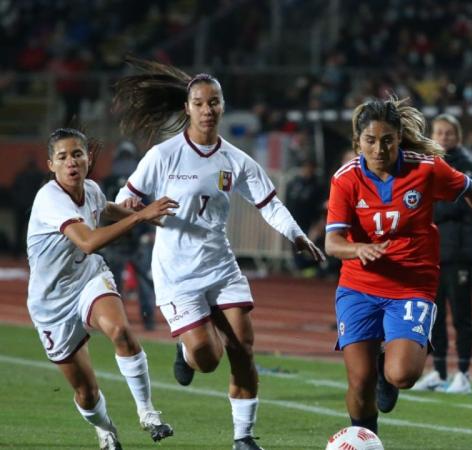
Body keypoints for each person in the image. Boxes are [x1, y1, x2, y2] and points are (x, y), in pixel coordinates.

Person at [112, 57, 325, 450]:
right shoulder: (163, 155)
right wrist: (143, 213)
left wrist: (296, 235)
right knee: (207, 358)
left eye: (214, 102)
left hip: (222, 267)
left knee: (243, 346)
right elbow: (121, 204)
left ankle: (243, 437)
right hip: (177, 272)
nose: (207, 110)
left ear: (222, 107)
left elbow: (269, 204)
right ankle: (185, 347)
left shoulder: (236, 160)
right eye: (200, 103)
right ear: (186, 108)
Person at [325, 97, 472, 435]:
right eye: (370, 140)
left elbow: (470, 188)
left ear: (399, 136)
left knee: (402, 375)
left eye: (388, 139)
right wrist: (359, 248)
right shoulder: (345, 180)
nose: (379, 149)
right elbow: (333, 244)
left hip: (412, 285)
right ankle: (366, 441)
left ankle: (385, 367)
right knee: (359, 384)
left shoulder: (426, 168)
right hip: (359, 286)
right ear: (357, 142)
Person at [26, 128, 177, 449]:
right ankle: (106, 428)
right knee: (86, 392)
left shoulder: (91, 189)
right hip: (51, 302)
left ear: (88, 158)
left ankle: (148, 411)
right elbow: (89, 241)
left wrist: (149, 219)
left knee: (121, 331)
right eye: (63, 157)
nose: (72, 162)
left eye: (77, 154)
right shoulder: (49, 198)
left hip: (88, 279)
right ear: (51, 164)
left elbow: (104, 208)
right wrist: (140, 218)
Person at [411, 114, 472, 394]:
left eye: (449, 133)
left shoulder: (466, 167)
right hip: (432, 252)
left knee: (461, 314)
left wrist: (431, 203)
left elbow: (461, 205)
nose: (443, 137)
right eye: (439, 132)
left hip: (458, 251)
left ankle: (463, 373)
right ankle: (439, 370)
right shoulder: (426, 164)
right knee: (433, 314)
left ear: (458, 137)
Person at [100, 141, 157, 330]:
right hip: (122, 239)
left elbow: (149, 208)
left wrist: (149, 233)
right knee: (118, 281)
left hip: (128, 239)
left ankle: (139, 318)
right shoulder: (113, 183)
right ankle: (127, 318)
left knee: (135, 281)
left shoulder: (134, 183)